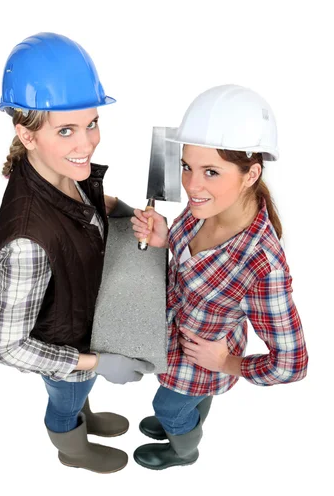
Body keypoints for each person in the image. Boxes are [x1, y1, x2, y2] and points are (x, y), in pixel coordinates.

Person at [0, 32, 153, 474]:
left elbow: (84, 209)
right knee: (67, 397)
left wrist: (128, 212)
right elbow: (6, 347)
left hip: (83, 323)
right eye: (66, 130)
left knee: (80, 391)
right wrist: (98, 362)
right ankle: (71, 447)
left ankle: (86, 414)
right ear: (27, 133)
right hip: (66, 349)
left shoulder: (60, 171)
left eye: (91, 123)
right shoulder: (27, 242)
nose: (87, 144)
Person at [131, 84, 308, 470]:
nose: (193, 185)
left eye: (212, 171)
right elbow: (188, 267)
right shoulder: (202, 210)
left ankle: (183, 448)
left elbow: (292, 364)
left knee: (166, 404)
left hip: (203, 356)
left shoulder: (263, 267)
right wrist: (165, 240)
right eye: (187, 166)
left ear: (251, 174)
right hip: (174, 338)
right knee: (177, 402)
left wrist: (226, 364)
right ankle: (185, 414)